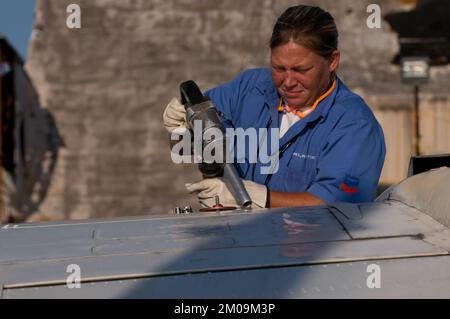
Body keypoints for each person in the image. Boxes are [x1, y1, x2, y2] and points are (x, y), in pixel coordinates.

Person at [163, 5, 386, 209]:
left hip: (308, 250)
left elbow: (337, 207)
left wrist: (259, 197)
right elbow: (183, 149)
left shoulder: (355, 126)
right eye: (279, 68)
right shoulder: (249, 88)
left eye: (301, 70)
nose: (287, 82)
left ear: (332, 61)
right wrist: (182, 130)